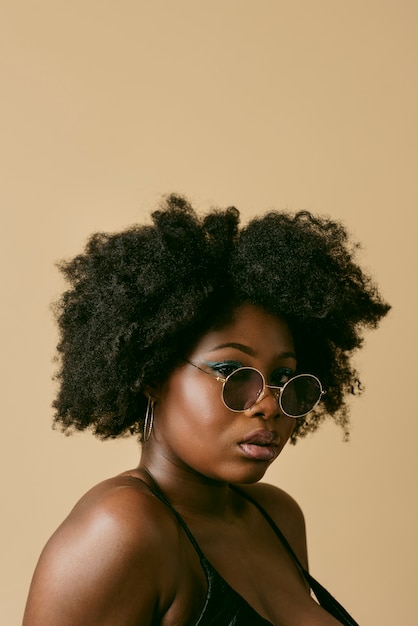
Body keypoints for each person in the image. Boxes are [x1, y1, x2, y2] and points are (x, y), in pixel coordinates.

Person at [23, 194, 390, 625]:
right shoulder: (123, 530)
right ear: (153, 375)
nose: (269, 404)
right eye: (232, 370)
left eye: (284, 376)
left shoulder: (276, 516)